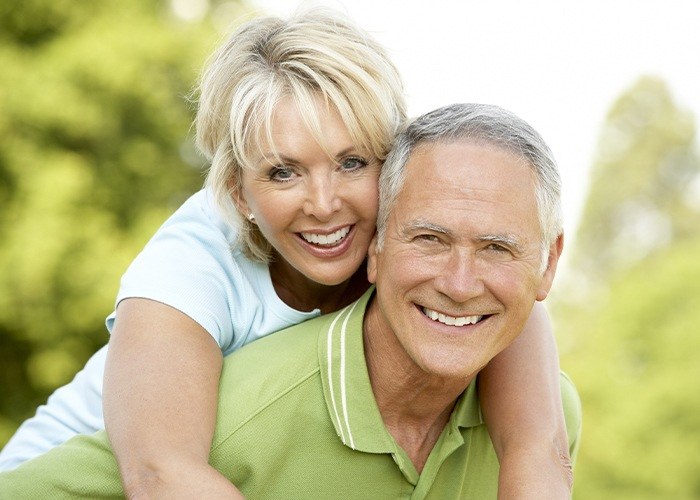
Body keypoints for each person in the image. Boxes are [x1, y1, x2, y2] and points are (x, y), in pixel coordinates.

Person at [0, 9, 569, 498]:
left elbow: (536, 443)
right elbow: (159, 475)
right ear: (237, 193)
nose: (323, 205)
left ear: (397, 168)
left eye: (352, 162)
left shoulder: (420, 253)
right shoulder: (189, 267)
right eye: (282, 171)